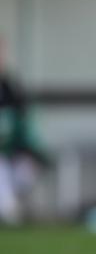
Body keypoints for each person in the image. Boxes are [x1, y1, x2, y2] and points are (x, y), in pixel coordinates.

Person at [0, 39, 46, 224]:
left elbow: (25, 124)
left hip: (12, 155)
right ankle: (8, 210)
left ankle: (9, 208)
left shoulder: (11, 87)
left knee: (27, 170)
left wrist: (30, 151)